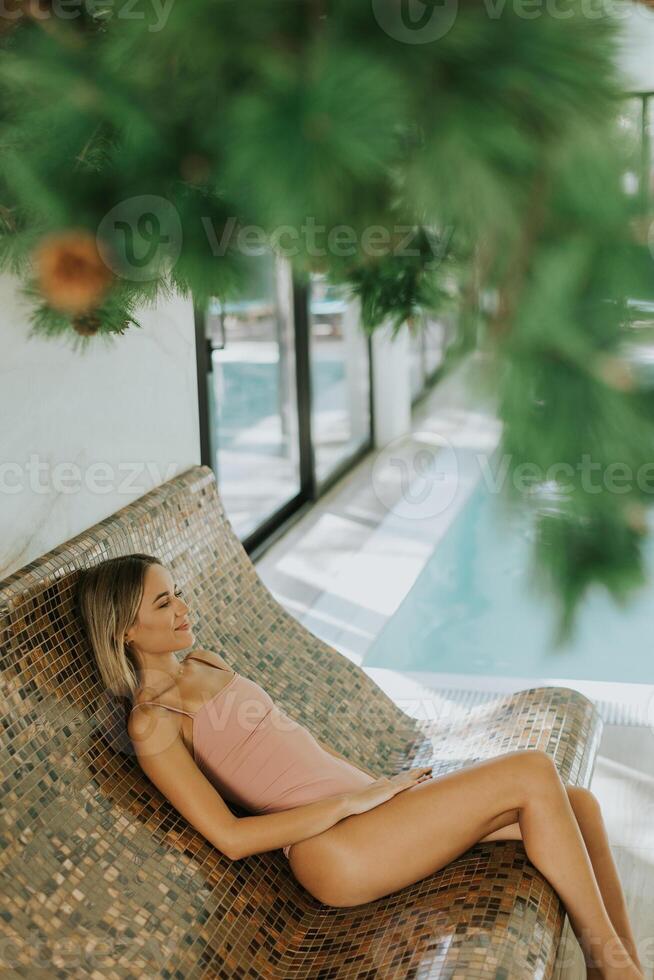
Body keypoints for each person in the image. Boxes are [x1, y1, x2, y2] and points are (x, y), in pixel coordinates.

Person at [76, 553, 644, 979]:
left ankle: (617, 966)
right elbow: (230, 838)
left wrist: (376, 790)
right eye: (162, 603)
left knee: (580, 804)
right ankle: (615, 967)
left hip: (373, 817)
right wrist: (349, 803)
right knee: (531, 769)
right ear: (126, 629)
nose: (181, 607)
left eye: (176, 593)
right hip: (335, 851)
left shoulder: (204, 660)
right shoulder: (153, 723)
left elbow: (299, 751)